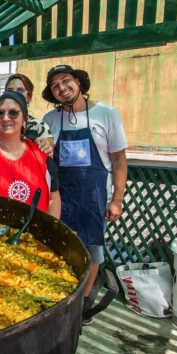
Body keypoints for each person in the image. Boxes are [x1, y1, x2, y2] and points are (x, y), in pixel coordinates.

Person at [41, 64, 128, 324]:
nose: (61, 88)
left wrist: (117, 199)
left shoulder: (107, 114)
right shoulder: (50, 120)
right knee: (58, 248)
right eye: (55, 86)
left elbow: (120, 161)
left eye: (66, 81)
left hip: (93, 195)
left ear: (79, 83)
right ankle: (57, 299)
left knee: (92, 252)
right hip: (60, 196)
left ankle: (81, 302)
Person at [4, 73, 53, 142]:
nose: (14, 94)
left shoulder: (39, 126)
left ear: (29, 97)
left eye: (20, 90)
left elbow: (48, 146)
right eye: (10, 90)